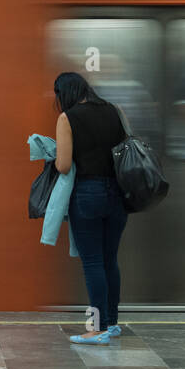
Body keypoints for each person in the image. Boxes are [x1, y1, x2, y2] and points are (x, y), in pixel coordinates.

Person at [53, 71, 128, 344]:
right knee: (109, 260)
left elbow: (63, 165)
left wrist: (53, 156)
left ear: (65, 94)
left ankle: (97, 329)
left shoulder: (67, 118)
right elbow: (125, 148)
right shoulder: (114, 110)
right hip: (117, 194)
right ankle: (111, 323)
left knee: (93, 262)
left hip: (87, 194)